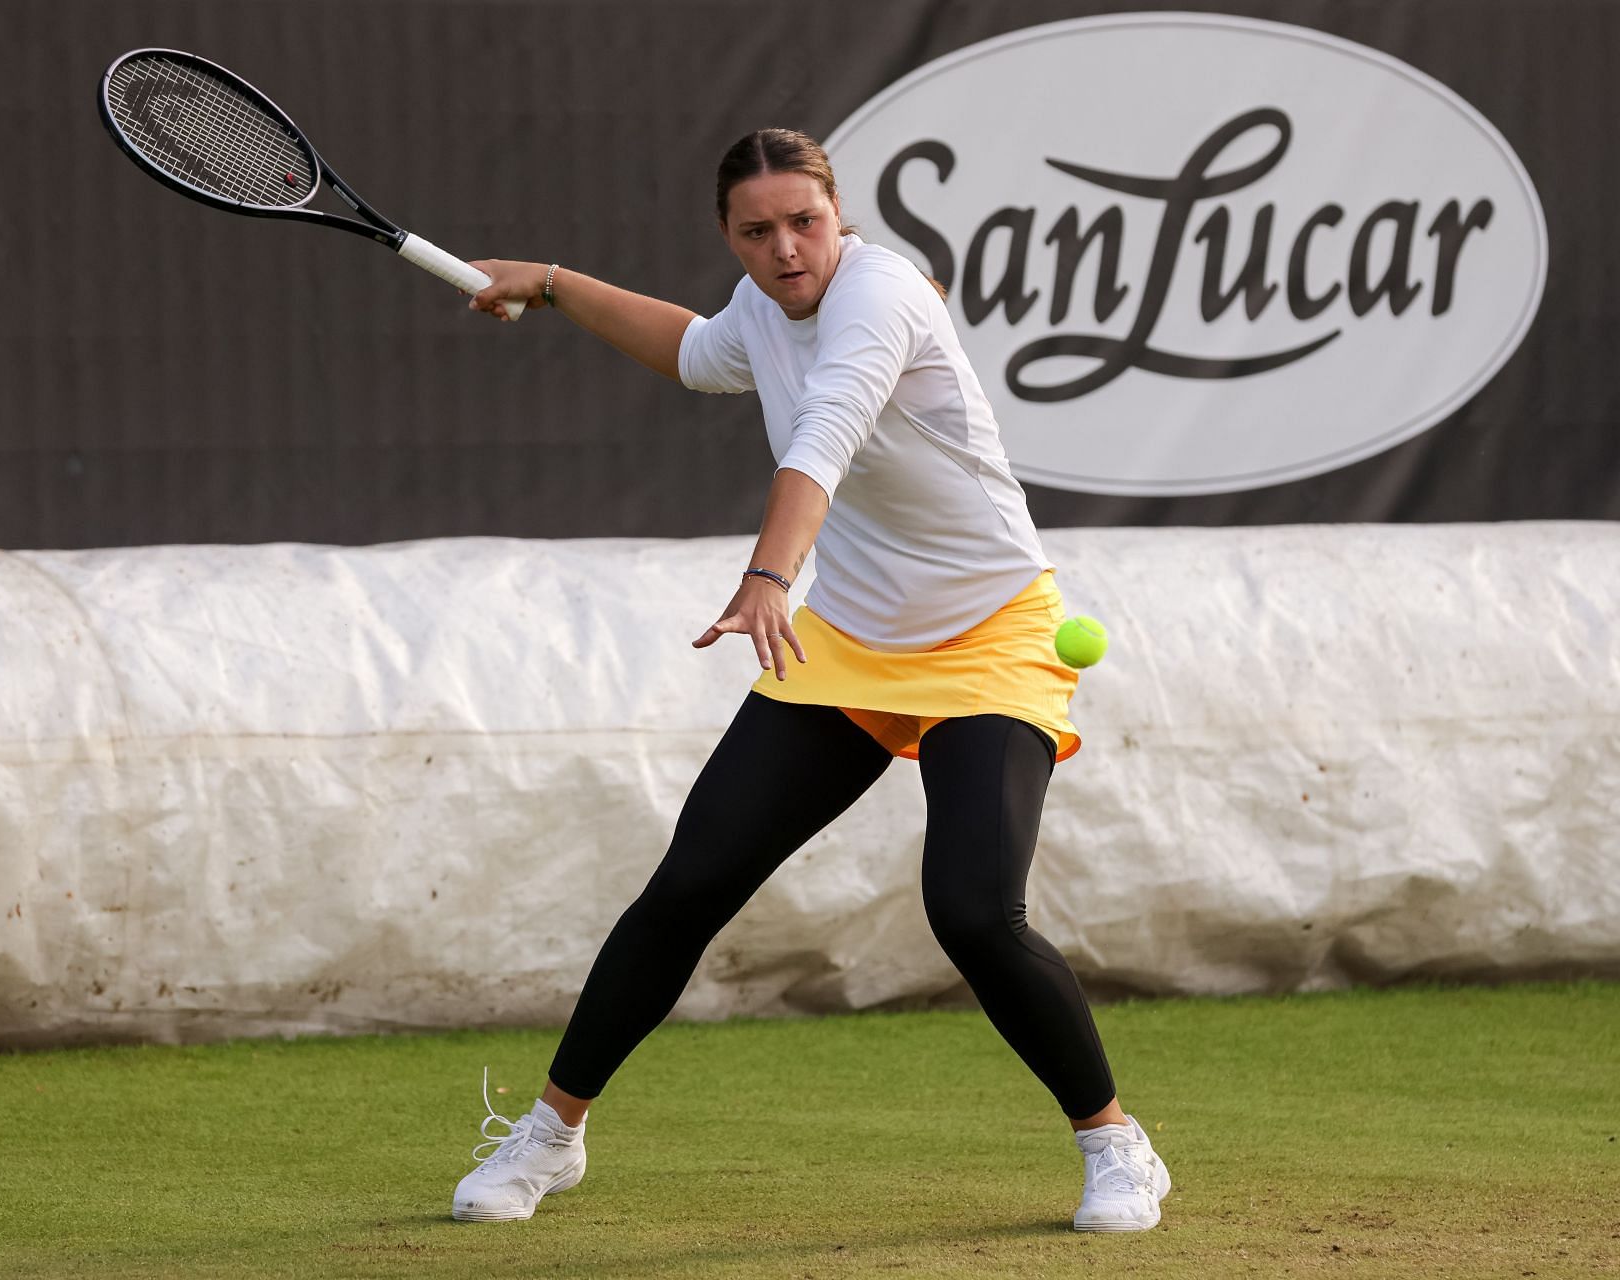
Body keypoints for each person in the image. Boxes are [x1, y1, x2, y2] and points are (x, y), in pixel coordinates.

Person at [448, 128, 1170, 1233]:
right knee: (691, 884)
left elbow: (824, 438)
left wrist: (768, 573)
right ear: (729, 236)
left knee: (975, 910)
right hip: (851, 640)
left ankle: (1116, 1143)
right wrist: (550, 283)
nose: (786, 249)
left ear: (841, 215)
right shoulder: (760, 310)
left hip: (990, 634)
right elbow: (695, 352)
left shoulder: (879, 300)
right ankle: (552, 1133)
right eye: (757, 231)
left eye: (805, 222)